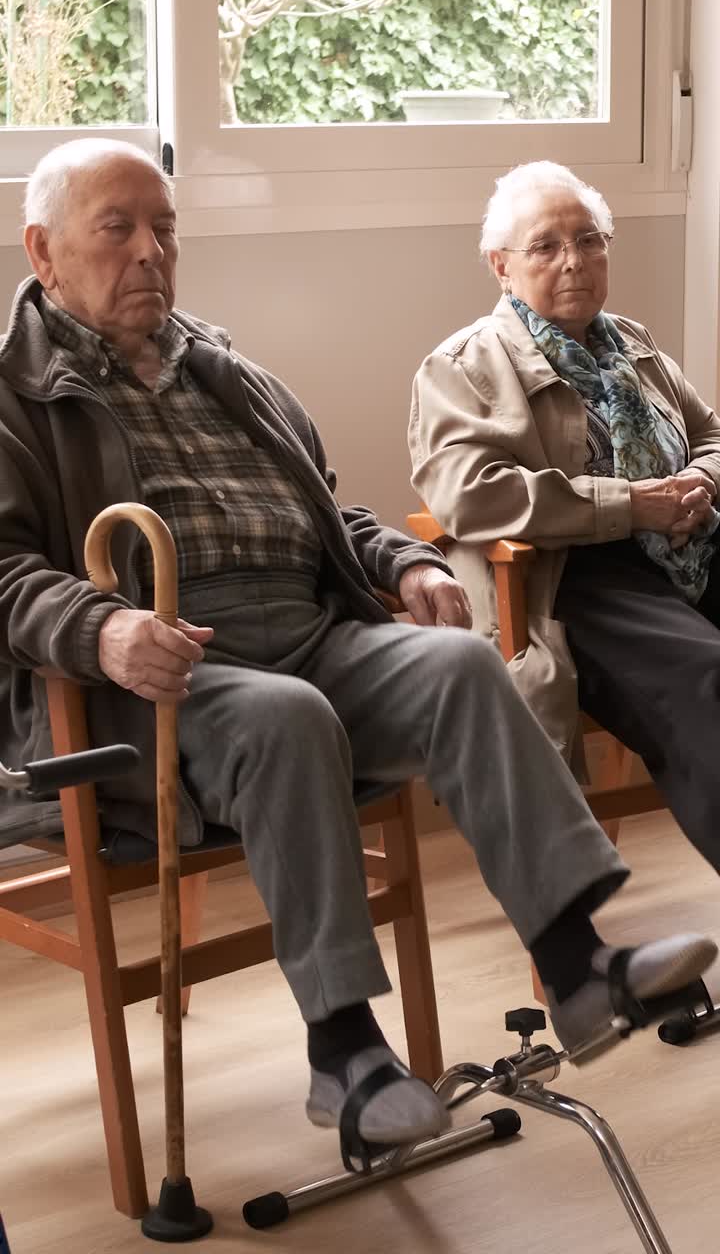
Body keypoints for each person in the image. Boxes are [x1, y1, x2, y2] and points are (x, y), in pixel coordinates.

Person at [0, 142, 714, 1162]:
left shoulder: (221, 366)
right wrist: (101, 627)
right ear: (43, 250)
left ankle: (578, 969)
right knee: (287, 717)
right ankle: (344, 1053)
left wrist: (403, 560)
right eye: (118, 229)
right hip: (154, 676)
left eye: (165, 228)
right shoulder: (15, 393)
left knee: (462, 664)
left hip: (305, 628)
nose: (151, 252)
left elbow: (329, 510)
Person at [410, 160, 720, 882]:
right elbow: (469, 494)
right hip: (574, 573)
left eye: (588, 240)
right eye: (545, 246)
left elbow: (710, 433)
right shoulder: (463, 366)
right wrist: (630, 504)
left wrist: (700, 480)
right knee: (707, 678)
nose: (573, 260)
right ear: (501, 266)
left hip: (689, 545)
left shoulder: (634, 344)